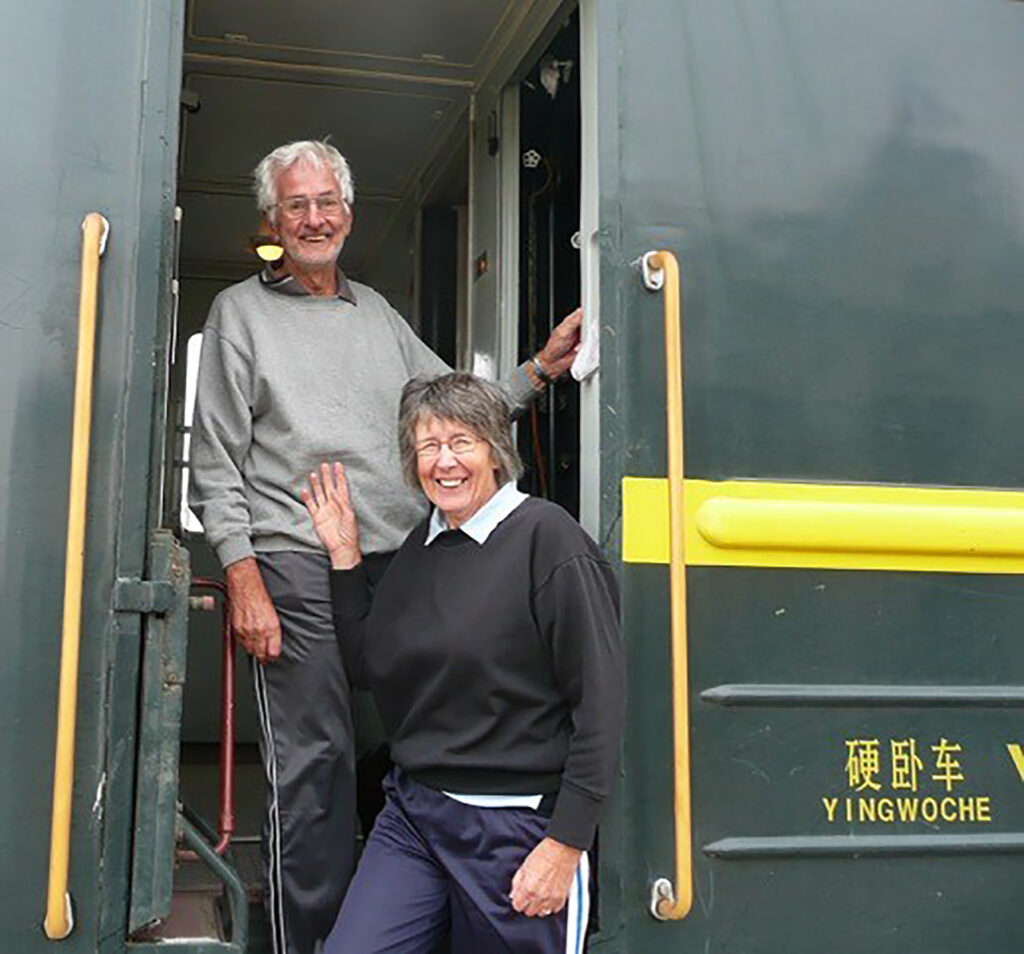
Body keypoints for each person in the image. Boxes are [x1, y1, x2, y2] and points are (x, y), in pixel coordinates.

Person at [188, 140, 582, 954]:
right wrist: (244, 575)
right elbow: (214, 458)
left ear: (349, 213)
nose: (313, 218)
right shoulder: (239, 314)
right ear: (273, 220)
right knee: (316, 769)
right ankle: (315, 941)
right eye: (295, 206)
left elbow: (457, 408)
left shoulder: (373, 311)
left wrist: (537, 372)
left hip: (398, 558)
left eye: (326, 201)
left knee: (425, 740)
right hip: (295, 560)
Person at [301, 372, 624, 954]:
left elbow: (600, 704)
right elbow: (369, 667)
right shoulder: (421, 546)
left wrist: (566, 844)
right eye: (428, 446)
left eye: (461, 442)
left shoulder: (548, 539)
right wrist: (345, 555)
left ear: (496, 451)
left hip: (517, 828)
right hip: (415, 816)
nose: (443, 462)